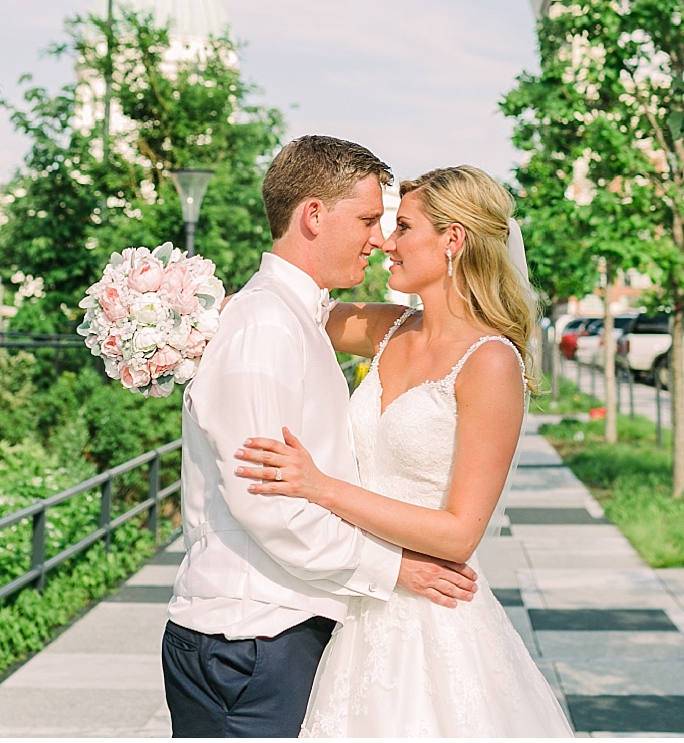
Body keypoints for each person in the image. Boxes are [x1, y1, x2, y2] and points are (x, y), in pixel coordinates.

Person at [162, 137, 482, 737]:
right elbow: (270, 507)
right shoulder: (264, 329)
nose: (378, 238)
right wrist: (393, 568)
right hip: (251, 642)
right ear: (313, 215)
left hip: (284, 631)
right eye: (366, 219)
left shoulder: (294, 317)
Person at [238, 164, 573, 737]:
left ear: (453, 239)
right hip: (358, 601)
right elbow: (276, 309)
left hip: (432, 622)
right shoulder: (388, 328)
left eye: (404, 227)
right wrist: (164, 311)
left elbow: (459, 533)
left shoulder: (490, 362)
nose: (386, 243)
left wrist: (321, 487)